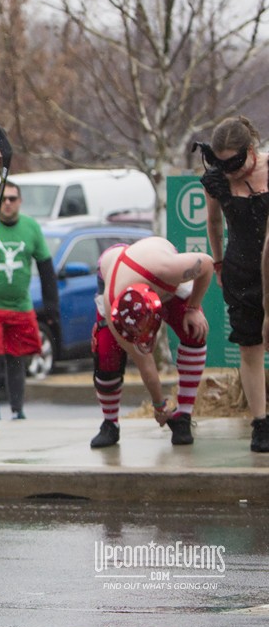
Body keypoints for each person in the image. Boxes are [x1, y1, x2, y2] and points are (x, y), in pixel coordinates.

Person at [89, 236, 213, 448]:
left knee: (195, 330)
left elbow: (208, 264)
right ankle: (110, 422)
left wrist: (193, 308)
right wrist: (160, 405)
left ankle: (183, 415)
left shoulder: (167, 269)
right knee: (106, 353)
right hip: (114, 271)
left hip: (154, 266)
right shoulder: (114, 309)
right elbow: (145, 363)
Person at [198, 116, 269, 453]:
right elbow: (213, 221)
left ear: (251, 150)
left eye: (234, 162)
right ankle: (260, 423)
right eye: (220, 162)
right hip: (241, 270)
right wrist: (218, 261)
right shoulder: (218, 181)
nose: (228, 170)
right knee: (250, 348)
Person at [0, 181, 59, 421]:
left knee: (17, 357)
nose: (8, 203)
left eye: (12, 199)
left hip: (20, 305)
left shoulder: (31, 227)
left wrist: (51, 306)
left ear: (20, 201)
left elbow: (46, 268)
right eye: (3, 199)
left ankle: (17, 408)